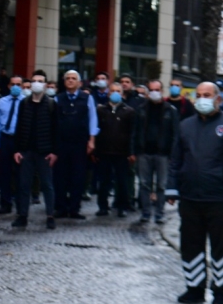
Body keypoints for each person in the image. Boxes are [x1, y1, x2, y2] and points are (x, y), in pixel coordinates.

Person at [166, 82, 223, 304]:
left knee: (221, 246)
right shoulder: (185, 126)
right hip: (190, 198)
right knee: (190, 244)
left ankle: (220, 292)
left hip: (219, 198)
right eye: (199, 95)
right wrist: (172, 187)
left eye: (207, 95)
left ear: (218, 99)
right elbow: (176, 160)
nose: (202, 98)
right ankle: (194, 288)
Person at [12, 72, 57, 230]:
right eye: (34, 81)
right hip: (27, 151)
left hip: (44, 152)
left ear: (45, 85)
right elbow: (18, 128)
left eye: (40, 81)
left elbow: (56, 130)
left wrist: (54, 152)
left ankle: (50, 216)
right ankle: (22, 215)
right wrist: (17, 150)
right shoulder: (24, 103)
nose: (37, 83)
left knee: (47, 185)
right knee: (24, 185)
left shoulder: (51, 104)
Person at [52, 70, 98, 220]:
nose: (71, 81)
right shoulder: (58, 99)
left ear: (79, 82)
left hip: (80, 143)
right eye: (68, 78)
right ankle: (61, 207)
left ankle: (74, 208)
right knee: (60, 176)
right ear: (64, 82)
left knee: (78, 176)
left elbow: (92, 119)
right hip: (61, 143)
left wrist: (92, 140)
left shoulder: (87, 98)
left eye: (74, 79)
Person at [135, 80, 178, 224]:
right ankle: (146, 212)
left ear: (162, 90)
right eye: (152, 89)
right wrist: (134, 150)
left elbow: (175, 133)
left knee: (161, 185)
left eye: (157, 89)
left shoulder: (170, 110)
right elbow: (135, 131)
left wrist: (173, 153)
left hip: (163, 154)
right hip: (144, 152)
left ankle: (159, 213)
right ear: (148, 92)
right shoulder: (141, 109)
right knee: (144, 184)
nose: (155, 92)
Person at [94, 81, 137, 218]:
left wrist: (131, 152)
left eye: (118, 91)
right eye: (112, 90)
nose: (115, 93)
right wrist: (95, 151)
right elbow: (95, 131)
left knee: (122, 182)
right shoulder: (101, 110)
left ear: (122, 93)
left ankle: (122, 206)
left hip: (121, 153)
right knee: (104, 182)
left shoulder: (129, 111)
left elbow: (132, 133)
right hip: (104, 151)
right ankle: (103, 207)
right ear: (108, 93)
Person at [0, 75, 24, 214]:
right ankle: (5, 203)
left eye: (18, 84)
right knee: (4, 172)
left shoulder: (26, 102)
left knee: (20, 173)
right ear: (9, 86)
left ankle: (20, 202)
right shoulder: (2, 101)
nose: (15, 86)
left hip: (20, 139)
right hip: (5, 138)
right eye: (13, 84)